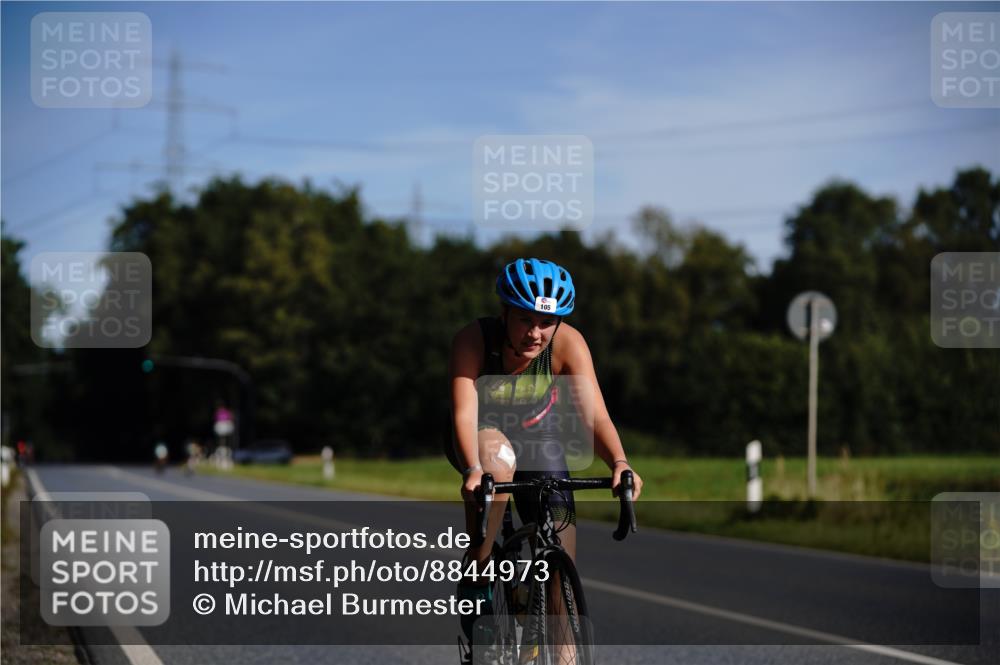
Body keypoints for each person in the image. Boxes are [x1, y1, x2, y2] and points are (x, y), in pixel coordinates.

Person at [447, 257, 644, 656]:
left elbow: (594, 416)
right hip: (479, 433)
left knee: (560, 555)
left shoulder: (568, 343)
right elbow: (464, 413)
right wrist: (473, 469)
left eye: (546, 322)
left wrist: (620, 463)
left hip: (538, 434)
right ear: (504, 312)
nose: (535, 333)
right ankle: (479, 574)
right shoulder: (474, 339)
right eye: (524, 319)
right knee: (497, 465)